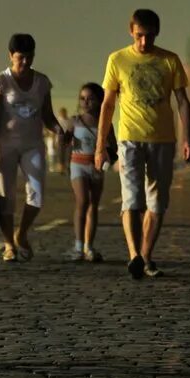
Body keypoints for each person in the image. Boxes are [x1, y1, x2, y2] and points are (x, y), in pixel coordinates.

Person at [95, 8, 190, 280]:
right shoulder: (117, 60)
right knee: (132, 199)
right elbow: (107, 104)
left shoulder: (169, 61)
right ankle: (134, 256)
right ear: (131, 31)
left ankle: (147, 256)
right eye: (139, 36)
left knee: (158, 201)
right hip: (130, 139)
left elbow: (183, 102)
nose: (143, 42)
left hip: (163, 140)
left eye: (149, 36)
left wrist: (189, 137)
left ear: (157, 33)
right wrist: (100, 145)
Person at [0, 33, 61, 262]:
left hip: (32, 145)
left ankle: (22, 233)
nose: (25, 62)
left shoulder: (42, 82)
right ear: (10, 56)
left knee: (36, 194)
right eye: (20, 58)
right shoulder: (0, 81)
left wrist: (60, 130)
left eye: (29, 57)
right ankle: (9, 245)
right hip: (4, 145)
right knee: (5, 196)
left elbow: (48, 115)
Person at [62, 83, 112, 262]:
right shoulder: (74, 121)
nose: (86, 102)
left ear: (99, 101)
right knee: (83, 201)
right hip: (78, 165)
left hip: (97, 167)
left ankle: (89, 246)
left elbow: (112, 147)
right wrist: (64, 139)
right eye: (82, 98)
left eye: (90, 99)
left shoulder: (105, 123)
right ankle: (78, 246)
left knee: (93, 205)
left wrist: (108, 156)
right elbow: (65, 144)